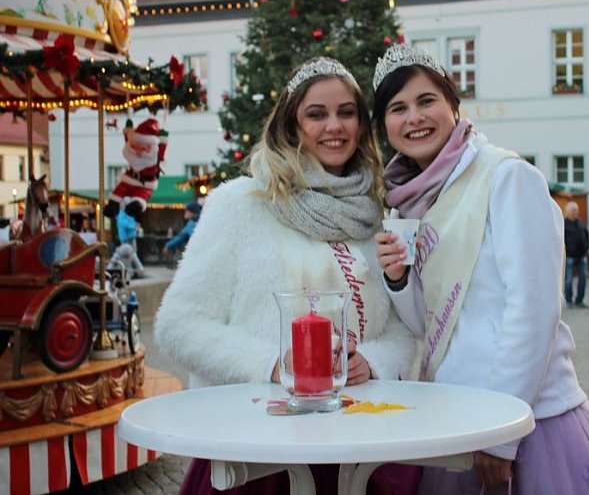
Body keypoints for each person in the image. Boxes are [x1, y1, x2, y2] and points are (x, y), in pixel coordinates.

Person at [373, 45, 589, 494]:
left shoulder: (506, 176)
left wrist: (504, 432)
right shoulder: (414, 199)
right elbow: (433, 325)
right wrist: (399, 279)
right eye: (397, 108)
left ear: (453, 106)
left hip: (526, 420)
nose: (414, 118)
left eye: (426, 101)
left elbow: (534, 310)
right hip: (456, 413)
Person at [154, 57, 418, 495]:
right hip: (258, 447)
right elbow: (178, 325)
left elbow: (401, 331)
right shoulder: (243, 203)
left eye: (346, 112)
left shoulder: (376, 214)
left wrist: (372, 362)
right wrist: (274, 364)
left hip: (359, 445)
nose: (334, 126)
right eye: (316, 114)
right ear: (291, 125)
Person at [563, 201, 589, 309]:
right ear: (568, 211)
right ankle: (569, 300)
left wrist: (586, 248)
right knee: (568, 279)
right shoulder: (564, 224)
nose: (576, 212)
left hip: (581, 256)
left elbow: (586, 236)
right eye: (573, 210)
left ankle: (579, 300)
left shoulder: (581, 223)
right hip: (569, 256)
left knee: (583, 278)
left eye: (577, 210)